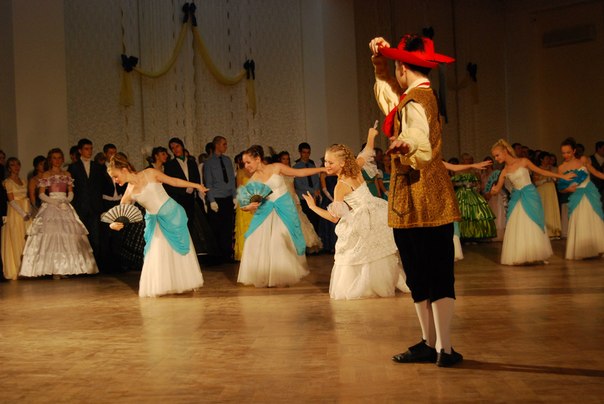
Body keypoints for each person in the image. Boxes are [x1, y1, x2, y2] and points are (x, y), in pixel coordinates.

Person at [370, 33, 462, 367]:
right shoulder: (415, 96)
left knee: (428, 273)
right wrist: (379, 61)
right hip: (419, 198)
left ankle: (441, 347)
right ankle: (435, 345)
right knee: (425, 274)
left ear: (403, 68)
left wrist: (408, 145)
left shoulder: (416, 101)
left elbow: (418, 137)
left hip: (420, 197)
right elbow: (389, 97)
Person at [302, 127, 408, 300]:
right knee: (373, 251)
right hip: (375, 210)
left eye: (330, 162)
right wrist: (371, 135)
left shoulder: (340, 186)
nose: (326, 165)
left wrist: (312, 207)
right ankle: (378, 283)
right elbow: (366, 152)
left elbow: (334, 218)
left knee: (358, 252)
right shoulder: (355, 169)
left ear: (342, 163)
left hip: (363, 217)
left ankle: (367, 286)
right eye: (325, 161)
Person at [108, 153, 207, 297]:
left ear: (124, 170)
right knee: (157, 253)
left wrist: (197, 185)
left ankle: (184, 281)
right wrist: (113, 224)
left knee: (176, 249)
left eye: (115, 176)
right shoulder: (128, 192)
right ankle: (162, 285)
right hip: (154, 221)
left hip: (171, 215)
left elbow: (174, 181)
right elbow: (121, 213)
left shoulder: (150, 173)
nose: (115, 180)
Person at [237, 145, 325, 288]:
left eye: (248, 162)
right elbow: (243, 204)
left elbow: (299, 172)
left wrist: (322, 169)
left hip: (284, 210)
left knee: (281, 240)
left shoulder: (276, 167)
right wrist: (249, 207)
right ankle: (269, 275)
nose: (246, 166)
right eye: (244, 163)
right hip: (267, 213)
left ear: (258, 159)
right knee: (265, 242)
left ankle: (283, 275)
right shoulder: (253, 180)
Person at [490, 139, 574, 265]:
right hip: (517, 198)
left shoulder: (523, 161)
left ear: (505, 151)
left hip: (529, 195)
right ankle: (520, 255)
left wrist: (562, 176)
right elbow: (497, 189)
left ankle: (536, 253)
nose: (496, 158)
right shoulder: (504, 171)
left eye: (497, 155)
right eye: (494, 156)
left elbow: (542, 171)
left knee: (533, 222)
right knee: (517, 225)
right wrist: (493, 191)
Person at [20, 148, 99, 278]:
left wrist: (66, 200)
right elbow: (41, 194)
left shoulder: (67, 174)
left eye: (59, 158)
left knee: (67, 237)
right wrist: (54, 202)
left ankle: (65, 268)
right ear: (50, 160)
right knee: (52, 237)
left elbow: (71, 192)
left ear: (62, 159)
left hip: (64, 205)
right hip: (51, 205)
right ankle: (54, 270)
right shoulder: (46, 174)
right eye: (54, 158)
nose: (57, 160)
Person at [165, 137, 218, 260]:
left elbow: (196, 179)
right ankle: (180, 253)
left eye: (177, 146)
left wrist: (195, 189)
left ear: (182, 146)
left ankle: (189, 254)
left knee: (191, 225)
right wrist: (184, 189)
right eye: (172, 148)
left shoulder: (192, 162)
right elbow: (168, 185)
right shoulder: (170, 165)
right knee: (180, 225)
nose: (175, 149)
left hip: (190, 199)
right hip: (178, 200)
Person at [557, 138, 604, 259]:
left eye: (568, 152)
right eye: (563, 153)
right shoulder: (561, 168)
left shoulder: (583, 160)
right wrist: (568, 189)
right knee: (580, 220)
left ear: (574, 151)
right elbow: (561, 188)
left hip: (590, 193)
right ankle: (581, 250)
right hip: (576, 196)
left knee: (594, 219)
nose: (566, 155)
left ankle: (598, 248)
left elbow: (596, 173)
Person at [68, 138, 105, 268]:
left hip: (94, 207)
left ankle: (94, 266)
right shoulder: (73, 167)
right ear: (80, 150)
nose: (89, 151)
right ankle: (82, 266)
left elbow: (101, 187)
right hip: (80, 206)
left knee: (95, 238)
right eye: (86, 149)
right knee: (80, 237)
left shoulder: (97, 167)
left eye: (91, 148)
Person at [278, 150, 323, 254]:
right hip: (283, 199)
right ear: (280, 160)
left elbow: (293, 186)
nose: (286, 161)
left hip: (292, 197)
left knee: (301, 221)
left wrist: (295, 198)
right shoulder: (278, 173)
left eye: (287, 159)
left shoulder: (291, 171)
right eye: (283, 159)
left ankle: (305, 245)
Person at [203, 136, 237, 263]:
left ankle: (227, 255)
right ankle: (217, 257)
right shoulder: (208, 162)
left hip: (227, 198)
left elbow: (232, 179)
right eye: (224, 144)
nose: (226, 146)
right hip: (216, 198)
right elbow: (208, 182)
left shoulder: (227, 160)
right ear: (217, 145)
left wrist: (234, 196)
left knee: (228, 228)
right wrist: (211, 200)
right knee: (216, 228)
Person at [1, 157, 32, 280]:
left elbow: (26, 197)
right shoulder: (8, 182)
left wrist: (28, 211)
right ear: (9, 168)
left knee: (26, 238)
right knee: (16, 237)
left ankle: (27, 269)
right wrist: (23, 213)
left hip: (26, 210)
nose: (16, 167)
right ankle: (17, 268)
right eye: (13, 165)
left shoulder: (23, 180)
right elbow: (12, 201)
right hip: (16, 213)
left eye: (18, 164)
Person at [293, 142, 322, 233]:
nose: (306, 155)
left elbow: (317, 180)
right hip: (303, 198)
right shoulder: (296, 167)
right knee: (306, 222)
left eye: (308, 152)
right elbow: (299, 184)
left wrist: (316, 191)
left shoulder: (312, 166)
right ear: (300, 152)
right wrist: (313, 190)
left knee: (316, 222)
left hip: (314, 197)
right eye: (304, 152)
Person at [533, 152, 561, 238]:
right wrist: (545, 180)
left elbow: (557, 180)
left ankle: (554, 231)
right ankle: (545, 231)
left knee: (552, 208)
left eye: (549, 159)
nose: (548, 160)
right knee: (545, 208)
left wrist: (554, 179)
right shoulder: (537, 169)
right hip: (542, 191)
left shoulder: (551, 169)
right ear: (541, 159)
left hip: (551, 190)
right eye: (546, 158)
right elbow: (536, 183)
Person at [234, 152, 253, 261]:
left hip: (254, 201)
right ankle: (245, 252)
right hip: (245, 201)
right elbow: (240, 188)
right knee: (245, 226)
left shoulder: (253, 171)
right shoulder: (241, 172)